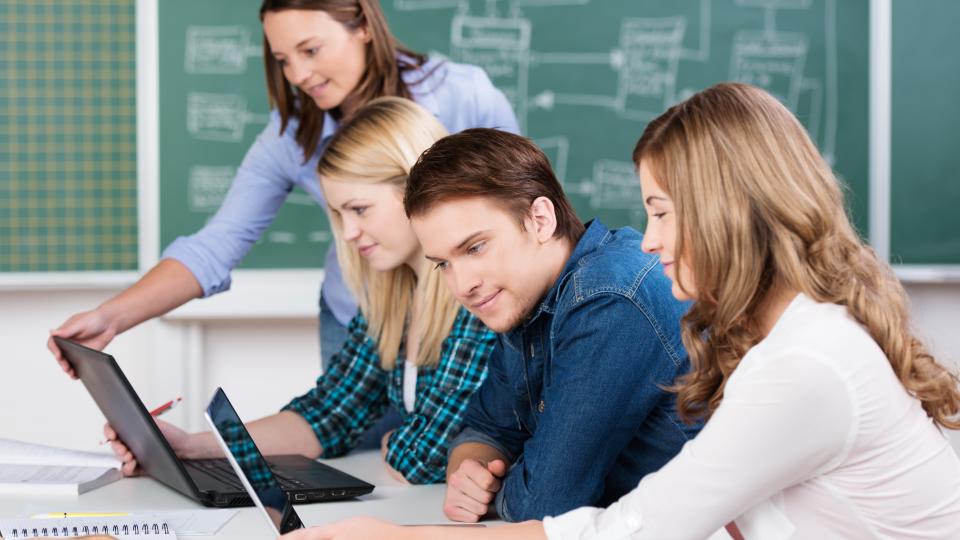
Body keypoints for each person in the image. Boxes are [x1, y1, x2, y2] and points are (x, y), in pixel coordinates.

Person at [274, 83, 960, 539]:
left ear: (728, 211)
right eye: (444, 262)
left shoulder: (801, 365)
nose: (651, 240)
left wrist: (396, 536)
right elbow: (495, 431)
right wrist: (483, 465)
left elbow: (613, 523)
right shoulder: (784, 341)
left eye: (662, 211)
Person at [46, 0, 517, 447]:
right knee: (365, 453)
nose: (298, 74)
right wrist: (110, 318)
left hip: (457, 307)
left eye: (310, 50)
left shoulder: (462, 96)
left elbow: (515, 208)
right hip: (374, 310)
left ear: (363, 26)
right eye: (283, 60)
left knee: (441, 455)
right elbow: (217, 246)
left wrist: (415, 452)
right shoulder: (291, 135)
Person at [106, 97, 496, 484]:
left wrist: (395, 442)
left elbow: (426, 458)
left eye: (360, 209)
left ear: (418, 190)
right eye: (339, 214)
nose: (349, 232)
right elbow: (328, 414)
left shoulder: (476, 297)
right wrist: (193, 446)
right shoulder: (393, 301)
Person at [411, 128, 696, 523]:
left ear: (541, 220)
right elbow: (487, 428)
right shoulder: (524, 296)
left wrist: (504, 488)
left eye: (475, 248)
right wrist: (470, 474)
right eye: (443, 263)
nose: (462, 286)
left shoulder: (609, 297)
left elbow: (547, 505)